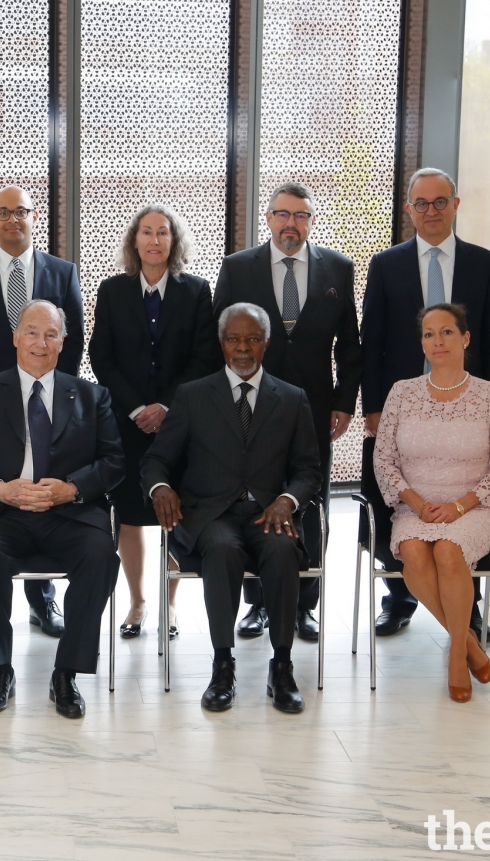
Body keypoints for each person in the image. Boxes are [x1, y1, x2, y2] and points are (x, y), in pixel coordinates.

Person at [0, 301, 123, 719]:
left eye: (51, 334)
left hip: (69, 514)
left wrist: (71, 489)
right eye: (31, 332)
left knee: (99, 554)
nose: (40, 342)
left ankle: (66, 673)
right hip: (1, 514)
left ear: (63, 342)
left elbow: (113, 462)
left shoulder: (92, 396)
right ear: (15, 338)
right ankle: (0, 670)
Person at [141, 303, 320, 714]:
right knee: (222, 549)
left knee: (280, 549)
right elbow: (156, 459)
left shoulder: (291, 399)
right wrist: (161, 487)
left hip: (268, 513)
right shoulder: (192, 395)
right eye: (234, 339)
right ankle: (223, 664)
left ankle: (282, 667)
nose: (243, 348)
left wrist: (287, 501)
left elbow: (308, 469)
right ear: (222, 344)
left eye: (253, 339)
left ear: (266, 343)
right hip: (210, 514)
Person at [360, 167, 490, 640]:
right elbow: (371, 340)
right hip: (406, 412)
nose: (431, 211)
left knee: (462, 509)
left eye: (440, 201)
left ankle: (468, 608)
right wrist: (373, 407)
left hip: (467, 408)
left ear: (456, 205)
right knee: (399, 512)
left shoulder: (486, 265)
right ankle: (401, 597)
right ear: (409, 210)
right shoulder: (386, 264)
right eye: (421, 203)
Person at [214, 182, 360, 643]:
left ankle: (304, 605)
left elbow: (350, 344)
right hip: (253, 403)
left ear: (310, 220)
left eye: (299, 215)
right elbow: (217, 339)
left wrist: (344, 401)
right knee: (256, 495)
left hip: (316, 407)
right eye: (282, 214)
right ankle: (257, 604)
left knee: (311, 501)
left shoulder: (338, 266)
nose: (290, 223)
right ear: (269, 218)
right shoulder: (238, 267)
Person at [0, 185, 84, 637]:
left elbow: (75, 338)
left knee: (41, 495)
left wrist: (49, 389)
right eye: (3, 212)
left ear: (33, 217)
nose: (12, 220)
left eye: (20, 212)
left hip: (45, 403)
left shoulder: (62, 272)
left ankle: (43, 604)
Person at [88, 204, 220, 641]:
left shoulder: (197, 291)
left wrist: (165, 406)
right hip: (126, 425)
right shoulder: (112, 290)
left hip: (180, 423)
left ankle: (170, 603)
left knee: (172, 512)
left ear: (174, 241)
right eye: (146, 232)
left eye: (163, 233)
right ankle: (138, 601)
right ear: (134, 241)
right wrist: (136, 408)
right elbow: (101, 357)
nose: (154, 240)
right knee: (130, 513)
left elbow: (204, 358)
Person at [373, 304, 490, 701]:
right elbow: (383, 460)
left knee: (449, 551)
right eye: (429, 334)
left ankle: (455, 655)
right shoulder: (402, 392)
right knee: (415, 552)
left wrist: (459, 507)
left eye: (447, 332)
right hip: (415, 508)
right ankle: (468, 644)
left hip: (476, 508)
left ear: (465, 338)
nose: (438, 341)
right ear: (421, 343)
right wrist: (417, 503)